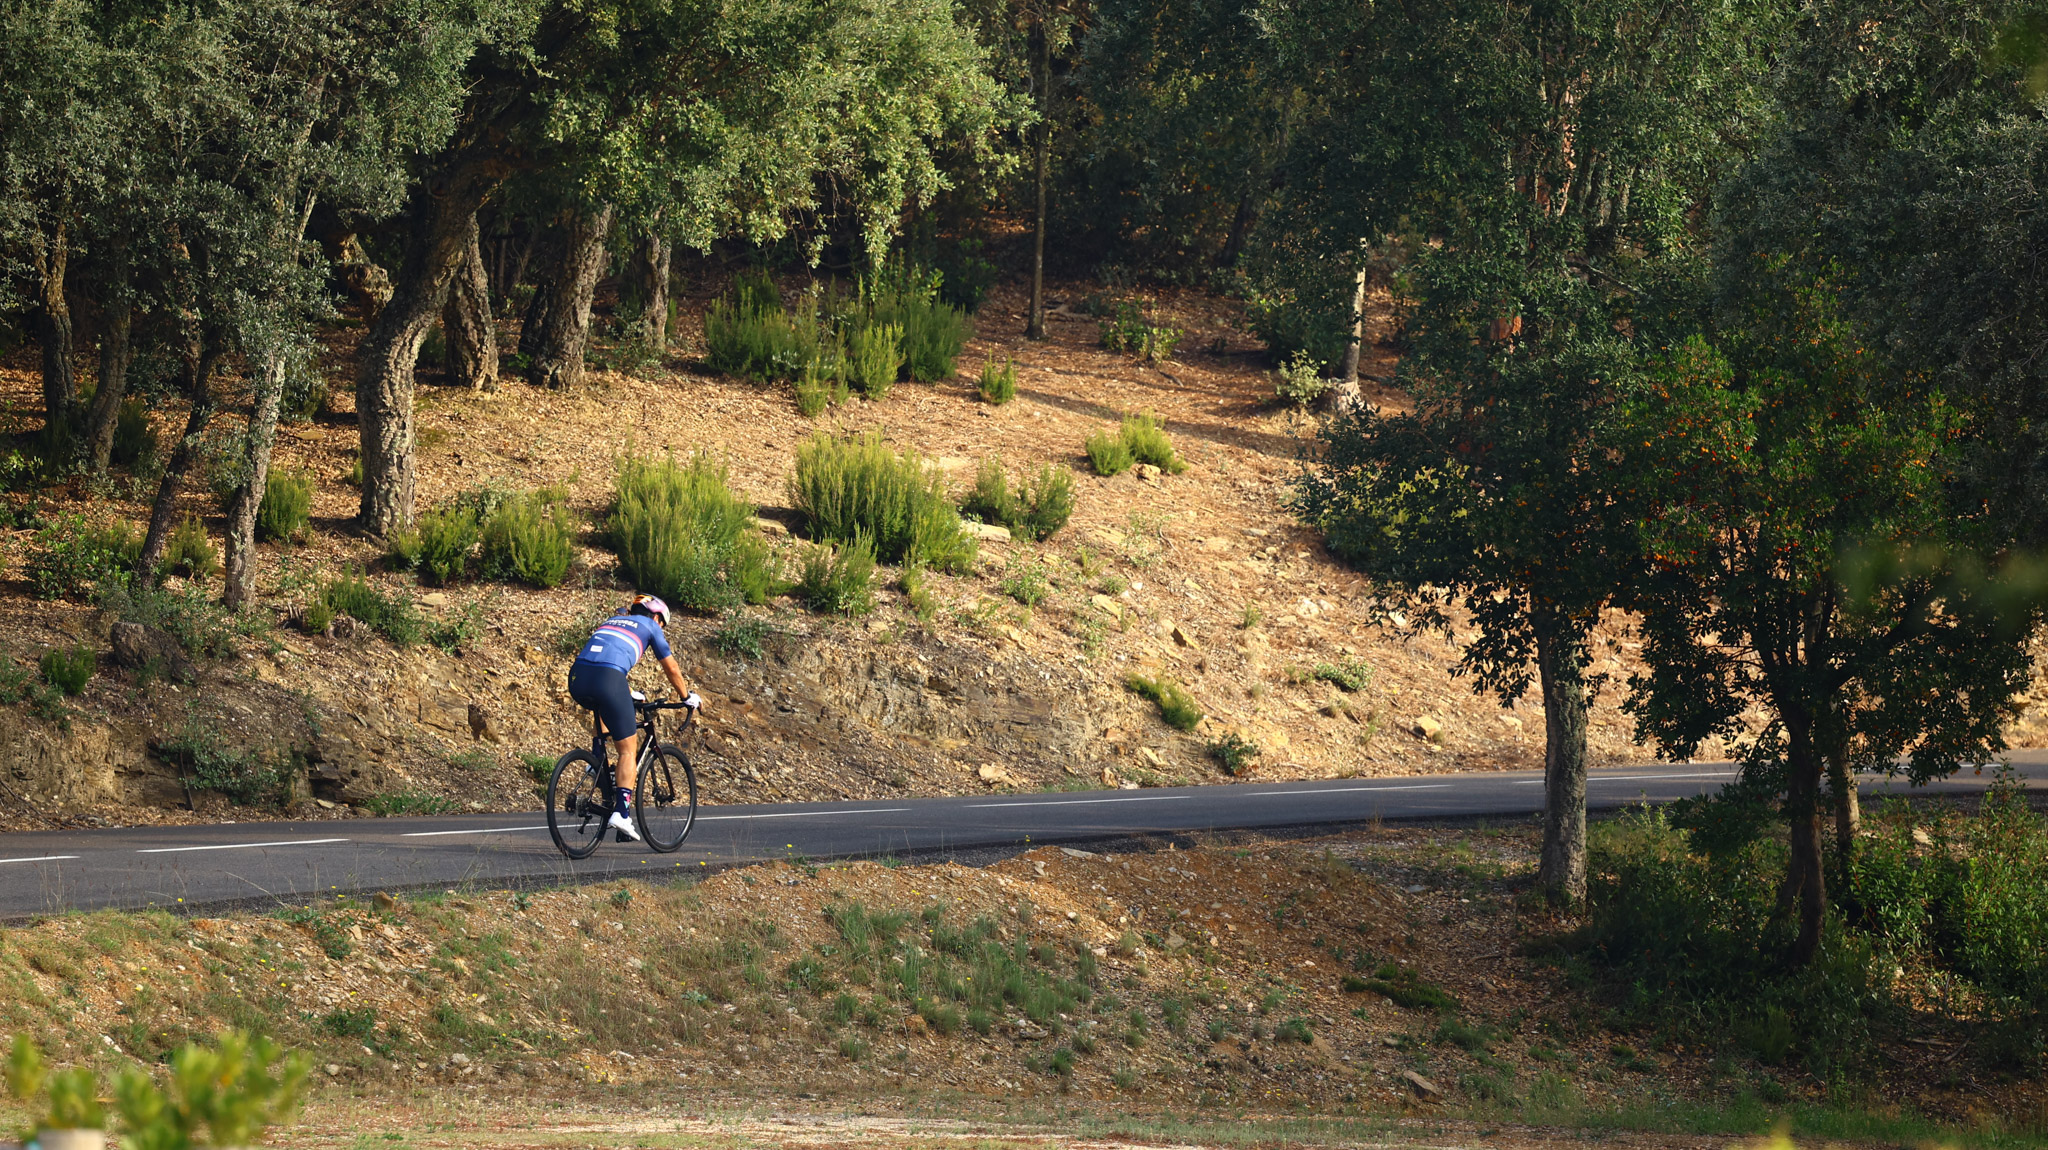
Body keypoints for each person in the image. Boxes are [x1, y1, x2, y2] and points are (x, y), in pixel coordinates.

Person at [565, 595, 701, 840]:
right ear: (657, 617)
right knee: (628, 751)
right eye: (662, 624)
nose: (661, 628)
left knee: (602, 706)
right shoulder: (650, 626)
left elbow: (604, 660)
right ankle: (621, 814)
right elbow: (671, 667)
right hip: (608, 679)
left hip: (578, 678)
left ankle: (596, 762)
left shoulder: (613, 620)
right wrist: (686, 696)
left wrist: (627, 691)